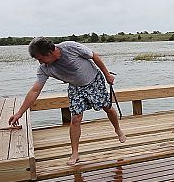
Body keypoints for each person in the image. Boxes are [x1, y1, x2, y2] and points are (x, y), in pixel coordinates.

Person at [9, 37, 127, 166]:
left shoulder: (70, 47)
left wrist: (107, 75)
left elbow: (94, 56)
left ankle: (118, 130)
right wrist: (20, 113)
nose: (39, 62)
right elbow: (35, 91)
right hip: (75, 87)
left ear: (49, 52)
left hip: (94, 80)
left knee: (108, 108)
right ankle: (75, 153)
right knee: (76, 118)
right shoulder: (44, 69)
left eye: (40, 58)